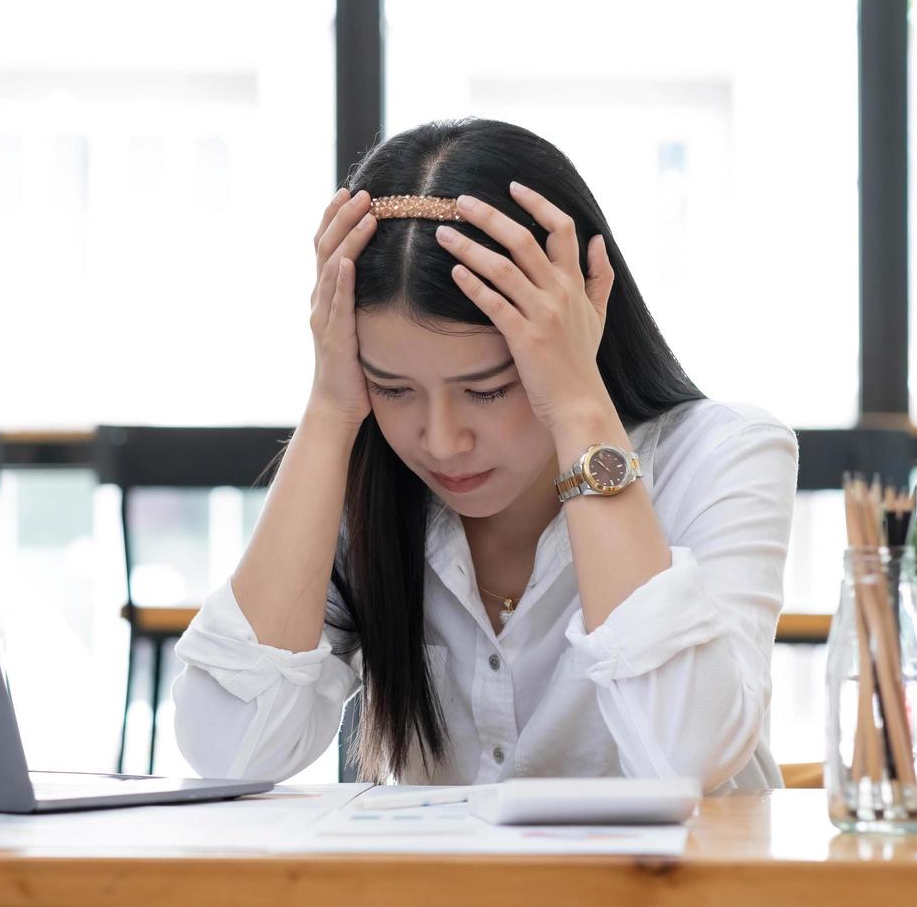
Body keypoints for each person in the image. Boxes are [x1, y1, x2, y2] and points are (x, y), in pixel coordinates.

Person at [171, 118, 798, 791]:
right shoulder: (367, 476)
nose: (442, 441)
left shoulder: (723, 456)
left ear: (577, 326)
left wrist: (578, 405)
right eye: (393, 387)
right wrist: (330, 412)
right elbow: (225, 750)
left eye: (489, 389)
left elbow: (687, 759)